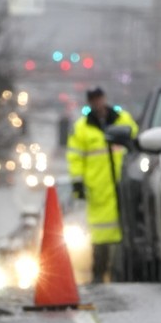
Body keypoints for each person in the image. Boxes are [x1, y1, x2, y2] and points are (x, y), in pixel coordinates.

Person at [66, 87, 138, 283]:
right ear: (89, 103)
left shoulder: (123, 118)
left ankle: (122, 274)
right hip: (97, 188)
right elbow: (75, 158)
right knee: (99, 235)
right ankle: (99, 273)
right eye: (93, 100)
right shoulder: (82, 127)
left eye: (99, 99)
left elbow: (135, 143)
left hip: (123, 186)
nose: (97, 103)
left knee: (125, 233)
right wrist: (78, 184)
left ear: (104, 99)